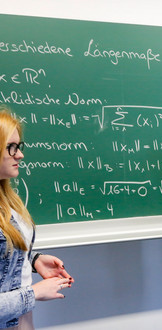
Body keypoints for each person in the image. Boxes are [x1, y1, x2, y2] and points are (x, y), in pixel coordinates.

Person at [0, 108, 74, 329]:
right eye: (11, 148)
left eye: (19, 147)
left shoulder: (7, 199)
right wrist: (33, 293)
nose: (20, 155)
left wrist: (32, 259)